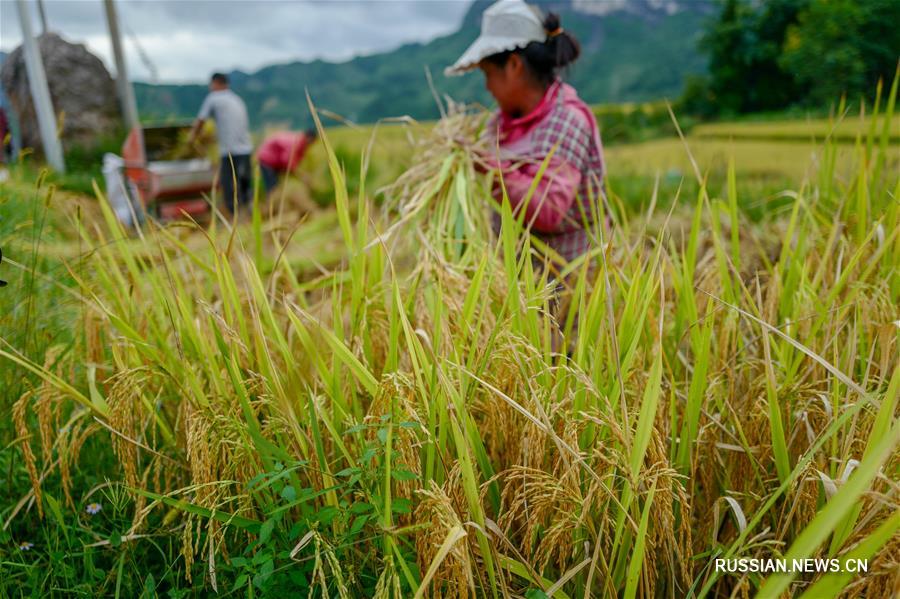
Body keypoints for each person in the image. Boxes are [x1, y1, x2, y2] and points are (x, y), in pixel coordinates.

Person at [446, 0, 607, 278]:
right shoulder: (499, 123)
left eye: (488, 73)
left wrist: (490, 169)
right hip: (518, 277)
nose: (486, 86)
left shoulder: (566, 121)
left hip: (570, 284)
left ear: (513, 65)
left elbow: (549, 209)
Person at [189, 73, 253, 212]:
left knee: (229, 184)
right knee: (244, 182)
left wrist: (192, 138)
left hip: (229, 151)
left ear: (216, 83)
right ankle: (248, 211)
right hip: (245, 148)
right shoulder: (236, 99)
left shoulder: (214, 98)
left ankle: (234, 214)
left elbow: (201, 120)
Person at [256, 129, 317, 195]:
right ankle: (272, 202)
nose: (313, 144)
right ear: (309, 138)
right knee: (272, 187)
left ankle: (275, 201)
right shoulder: (296, 142)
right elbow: (287, 161)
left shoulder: (300, 142)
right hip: (267, 160)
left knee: (276, 185)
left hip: (273, 161)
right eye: (313, 141)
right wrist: (301, 176)